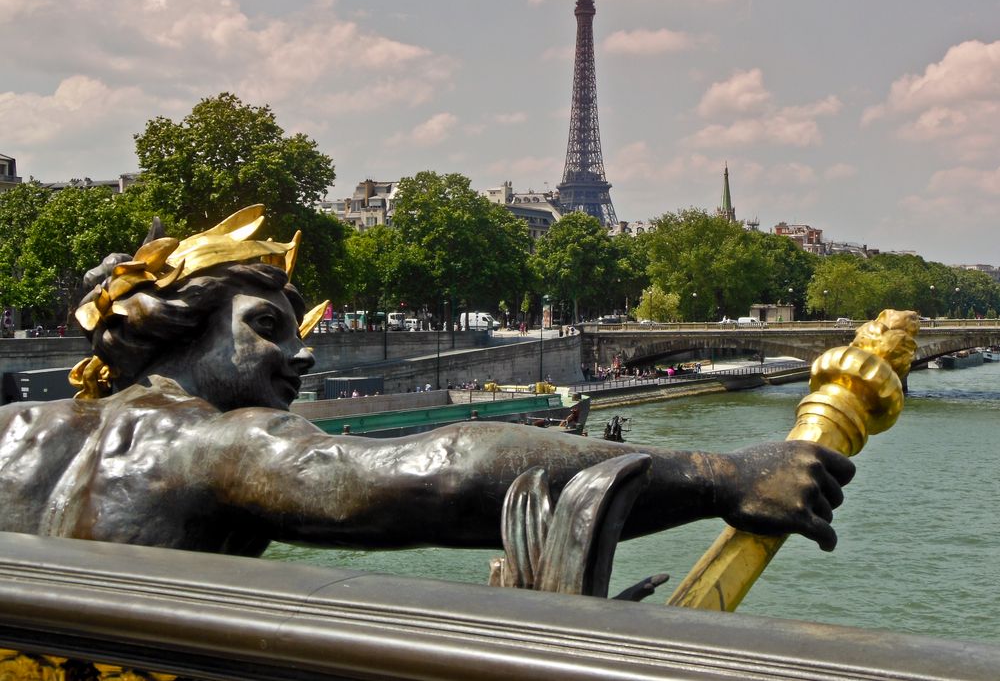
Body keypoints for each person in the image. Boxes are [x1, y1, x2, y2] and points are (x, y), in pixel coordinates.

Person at [0, 207, 853, 558]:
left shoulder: (16, 428)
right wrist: (722, 476)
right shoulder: (210, 443)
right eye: (267, 327)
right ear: (177, 324)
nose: (299, 358)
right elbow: (443, 473)